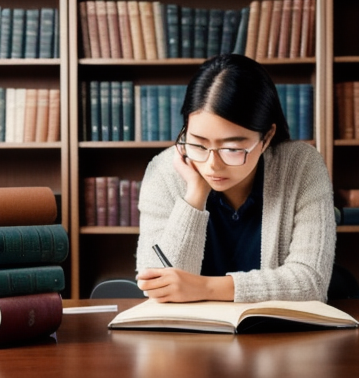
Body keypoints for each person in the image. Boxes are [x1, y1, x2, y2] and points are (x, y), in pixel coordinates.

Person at [135, 54, 336, 303]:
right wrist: (194, 196)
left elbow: (310, 282)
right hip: (188, 335)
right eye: (198, 144)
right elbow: (157, 286)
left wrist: (205, 288)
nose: (212, 165)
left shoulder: (301, 166)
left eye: (232, 149)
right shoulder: (164, 171)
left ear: (267, 137)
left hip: (276, 333)